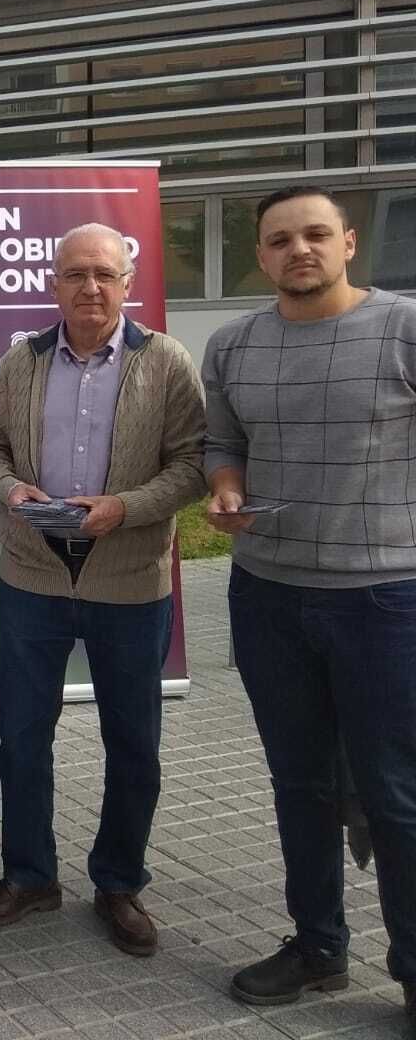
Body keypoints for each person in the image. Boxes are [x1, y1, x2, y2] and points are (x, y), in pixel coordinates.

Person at [203, 185, 416, 1029]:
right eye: (281, 239)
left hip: (385, 598)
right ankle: (319, 946)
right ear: (261, 255)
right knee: (299, 783)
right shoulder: (233, 344)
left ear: (348, 242)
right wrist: (226, 489)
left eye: (316, 234)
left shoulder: (404, 327)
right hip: (268, 595)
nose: (300, 249)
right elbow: (224, 444)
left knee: (396, 792)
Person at [0, 223, 205, 958]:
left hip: (128, 580)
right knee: (22, 737)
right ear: (55, 285)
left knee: (133, 742)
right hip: (33, 577)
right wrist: (12, 490)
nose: (90, 288)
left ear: (127, 282)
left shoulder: (165, 361)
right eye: (75, 274)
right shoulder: (21, 360)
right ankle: (30, 875)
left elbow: (192, 464)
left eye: (104, 274)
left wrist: (124, 508)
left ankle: (119, 882)